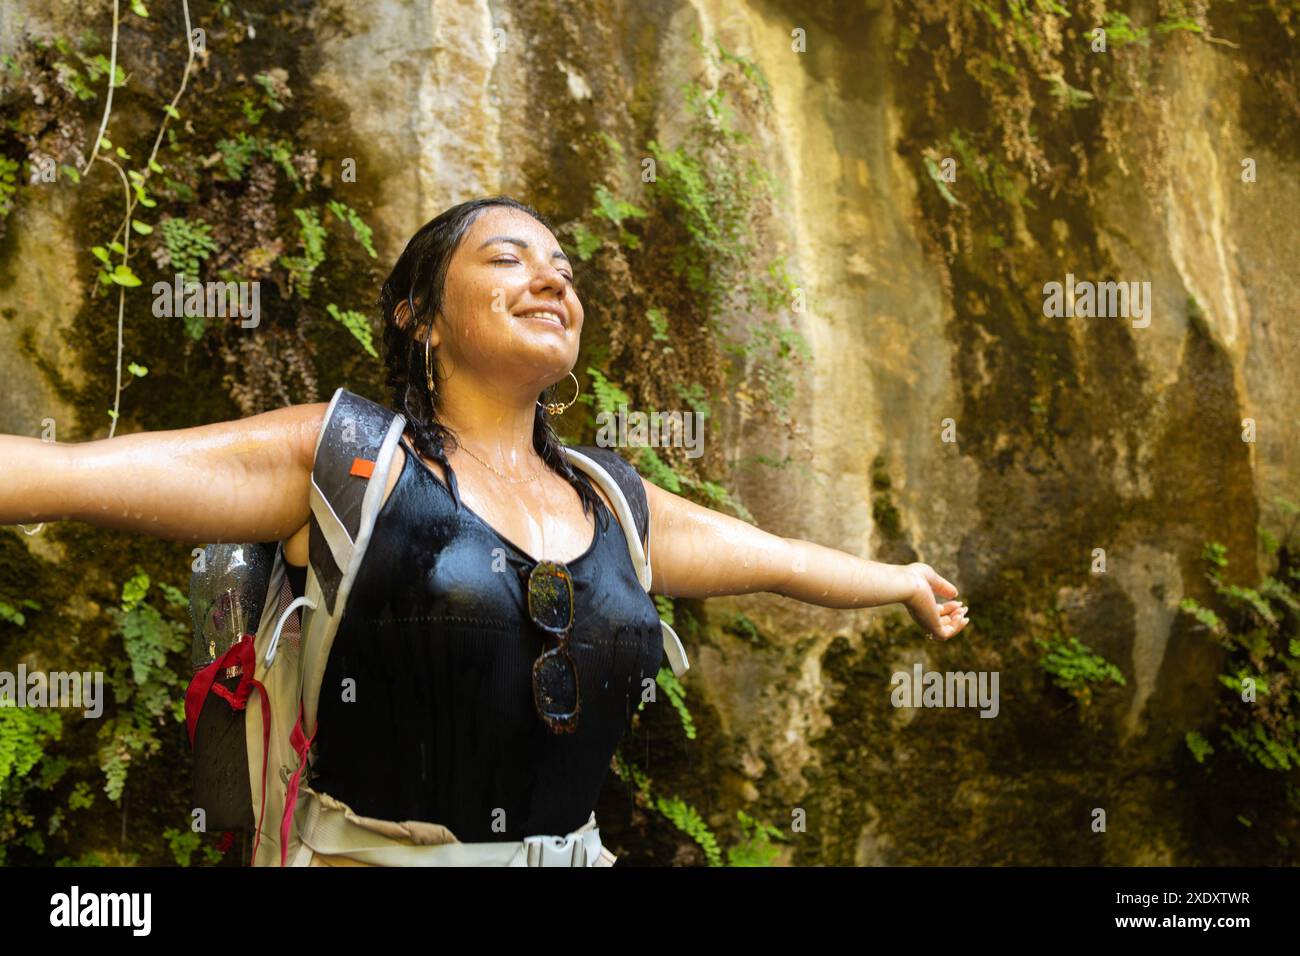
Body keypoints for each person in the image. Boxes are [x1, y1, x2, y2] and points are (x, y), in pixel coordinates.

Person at [0, 195, 969, 864]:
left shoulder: (613, 500)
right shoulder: (344, 458)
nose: (551, 281)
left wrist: (897, 578)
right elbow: (68, 472)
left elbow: (778, 559)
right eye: (507, 260)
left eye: (563, 270)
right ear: (418, 315)